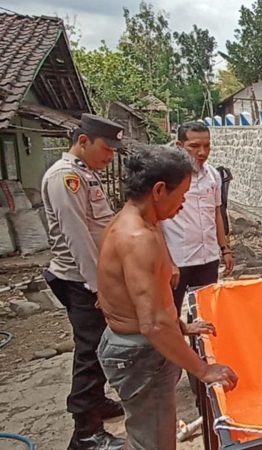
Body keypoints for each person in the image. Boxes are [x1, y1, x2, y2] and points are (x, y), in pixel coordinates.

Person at [96, 145, 238, 450]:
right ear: (159, 190)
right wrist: (203, 370)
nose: (184, 203)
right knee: (154, 442)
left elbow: (136, 299)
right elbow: (153, 324)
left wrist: (182, 327)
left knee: (151, 433)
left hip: (132, 344)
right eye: (182, 194)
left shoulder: (137, 221)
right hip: (139, 353)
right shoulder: (138, 238)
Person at [41, 114, 126, 450]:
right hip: (81, 280)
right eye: (106, 148)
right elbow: (77, 238)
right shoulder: (65, 178)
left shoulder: (85, 173)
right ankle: (85, 433)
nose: (110, 156)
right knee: (90, 353)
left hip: (94, 277)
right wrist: (99, 287)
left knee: (100, 347)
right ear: (83, 141)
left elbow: (100, 223)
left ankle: (97, 403)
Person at [161, 122, 234, 313]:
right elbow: (154, 222)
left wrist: (224, 249)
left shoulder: (212, 176)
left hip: (208, 258)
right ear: (179, 146)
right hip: (178, 260)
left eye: (207, 145)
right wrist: (166, 261)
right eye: (194, 146)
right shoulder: (167, 178)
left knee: (207, 312)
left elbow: (217, 213)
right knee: (172, 314)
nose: (202, 152)